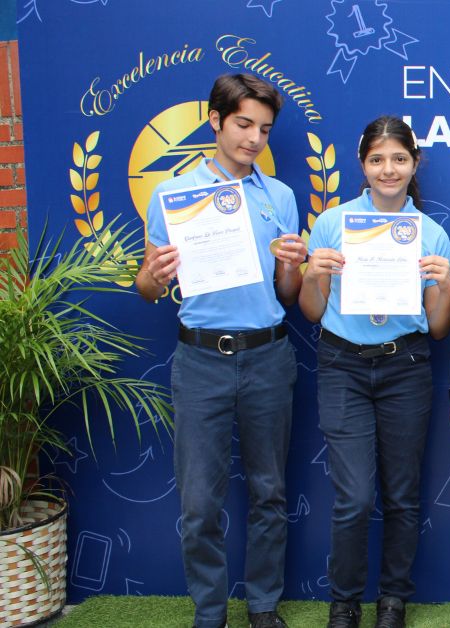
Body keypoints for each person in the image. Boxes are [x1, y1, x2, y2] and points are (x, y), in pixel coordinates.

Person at [134, 73, 306, 628]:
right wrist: (155, 275)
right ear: (215, 121)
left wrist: (291, 267)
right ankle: (209, 612)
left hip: (268, 356)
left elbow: (288, 294)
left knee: (269, 492)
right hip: (201, 359)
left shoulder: (280, 197)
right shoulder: (173, 195)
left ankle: (263, 606)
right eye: (243, 124)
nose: (254, 138)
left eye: (264, 129)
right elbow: (148, 288)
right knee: (199, 503)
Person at [299, 116, 450, 628]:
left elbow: (438, 328)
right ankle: (343, 602)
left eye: (399, 159)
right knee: (354, 497)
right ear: (362, 164)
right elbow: (312, 312)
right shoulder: (333, 224)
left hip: (405, 366)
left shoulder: (431, 234)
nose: (388, 169)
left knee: (402, 495)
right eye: (377, 159)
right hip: (341, 364)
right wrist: (314, 275)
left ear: (415, 163)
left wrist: (445, 286)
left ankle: (393, 601)